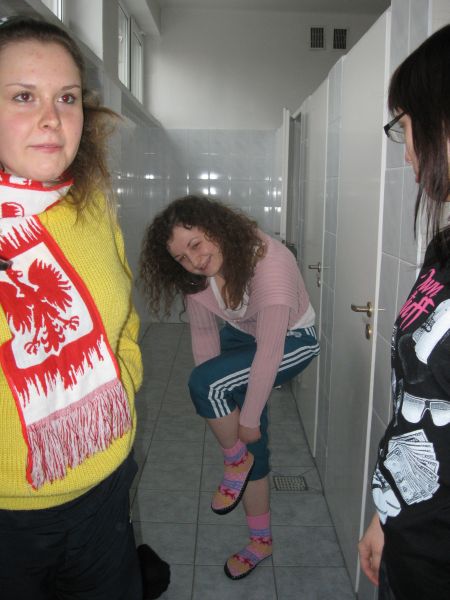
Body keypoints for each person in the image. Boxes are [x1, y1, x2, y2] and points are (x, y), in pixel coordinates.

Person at [0, 15, 146, 600]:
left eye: (66, 97)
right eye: (23, 96)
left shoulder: (91, 207)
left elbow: (124, 319)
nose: (51, 119)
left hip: (103, 488)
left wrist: (122, 386)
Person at [140, 194, 320, 579]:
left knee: (235, 419)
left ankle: (236, 460)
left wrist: (244, 416)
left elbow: (270, 351)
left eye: (196, 244)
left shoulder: (270, 263)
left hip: (292, 340)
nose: (194, 261)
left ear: (217, 227)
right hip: (243, 338)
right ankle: (260, 541)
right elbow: (205, 337)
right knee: (246, 437)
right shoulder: (196, 278)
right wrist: (215, 394)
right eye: (181, 257)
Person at [358, 24, 450, 600]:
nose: (407, 148)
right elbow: (417, 406)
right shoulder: (443, 250)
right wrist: (385, 513)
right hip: (410, 535)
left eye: (406, 125)